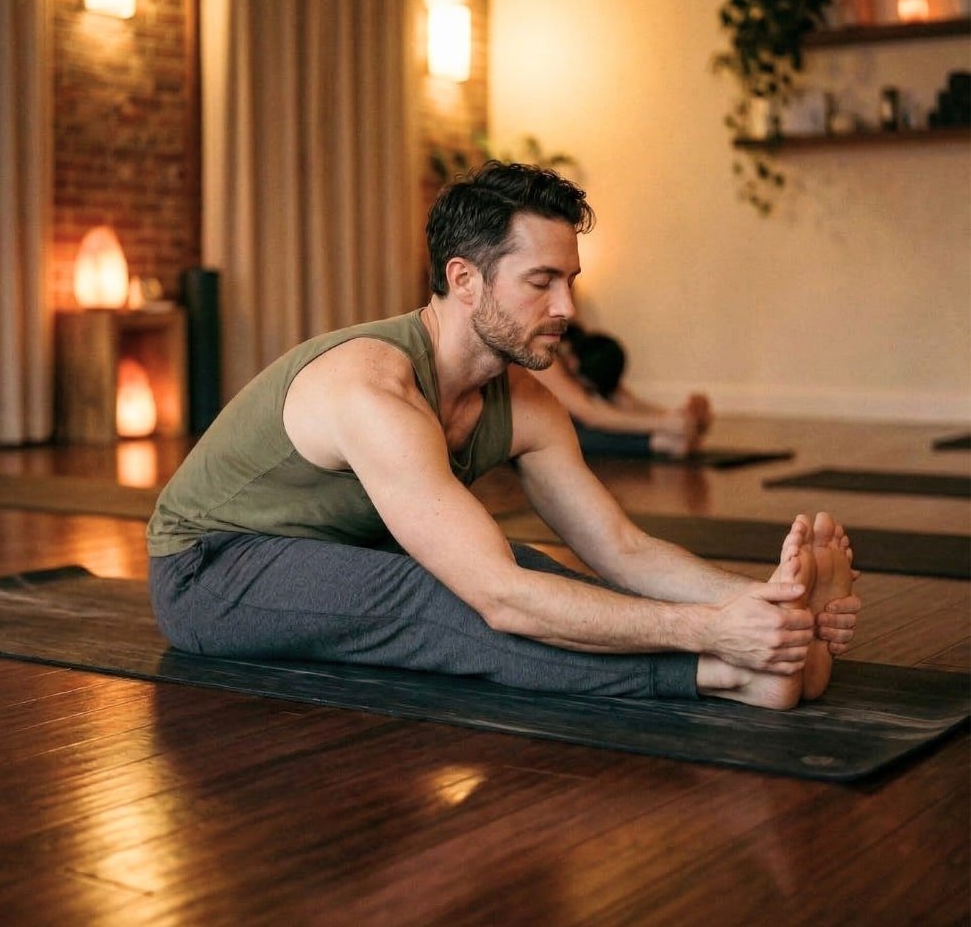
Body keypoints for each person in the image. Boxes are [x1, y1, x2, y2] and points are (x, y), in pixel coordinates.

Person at [147, 162, 860, 710]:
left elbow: (622, 548)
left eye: (570, 281)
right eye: (541, 282)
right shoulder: (374, 391)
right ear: (465, 279)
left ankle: (761, 653)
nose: (567, 307)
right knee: (450, 595)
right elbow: (498, 598)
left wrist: (762, 604)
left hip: (338, 553)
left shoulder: (525, 402)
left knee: (519, 563)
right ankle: (725, 675)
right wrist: (709, 632)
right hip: (212, 572)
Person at [531, 322, 713, 459]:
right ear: (573, 363)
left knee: (590, 420)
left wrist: (680, 416)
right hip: (532, 429)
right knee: (564, 431)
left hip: (567, 419)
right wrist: (664, 424)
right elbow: (591, 415)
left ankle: (666, 440)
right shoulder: (543, 355)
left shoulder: (581, 345)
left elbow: (623, 400)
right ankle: (660, 443)